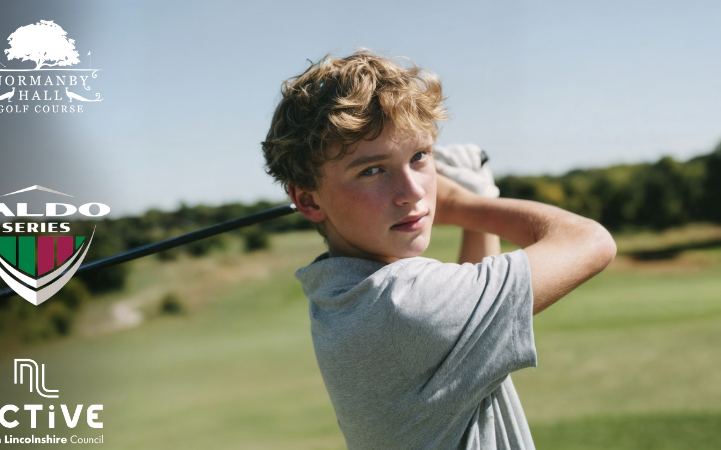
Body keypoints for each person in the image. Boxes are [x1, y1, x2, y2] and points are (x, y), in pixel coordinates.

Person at [261, 49, 616, 450]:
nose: (412, 192)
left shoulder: (340, 293)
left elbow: (466, 341)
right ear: (308, 201)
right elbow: (591, 241)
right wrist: (466, 204)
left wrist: (475, 195)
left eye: (418, 156)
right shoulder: (401, 303)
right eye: (372, 170)